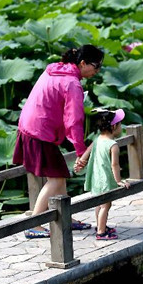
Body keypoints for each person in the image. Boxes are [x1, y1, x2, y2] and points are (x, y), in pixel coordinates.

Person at [13, 45, 104, 239]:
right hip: (39, 132)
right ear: (82, 63)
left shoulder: (54, 69)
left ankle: (65, 218)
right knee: (56, 179)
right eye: (96, 67)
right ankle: (34, 223)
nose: (97, 72)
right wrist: (81, 151)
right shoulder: (72, 83)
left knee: (60, 175)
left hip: (31, 127)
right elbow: (74, 121)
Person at [77, 109, 129, 240]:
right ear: (113, 126)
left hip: (96, 178)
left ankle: (101, 225)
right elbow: (114, 165)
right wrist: (119, 181)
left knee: (99, 204)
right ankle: (101, 232)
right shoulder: (113, 145)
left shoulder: (98, 139)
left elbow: (88, 151)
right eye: (120, 124)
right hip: (105, 179)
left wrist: (81, 161)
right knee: (106, 205)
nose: (121, 127)